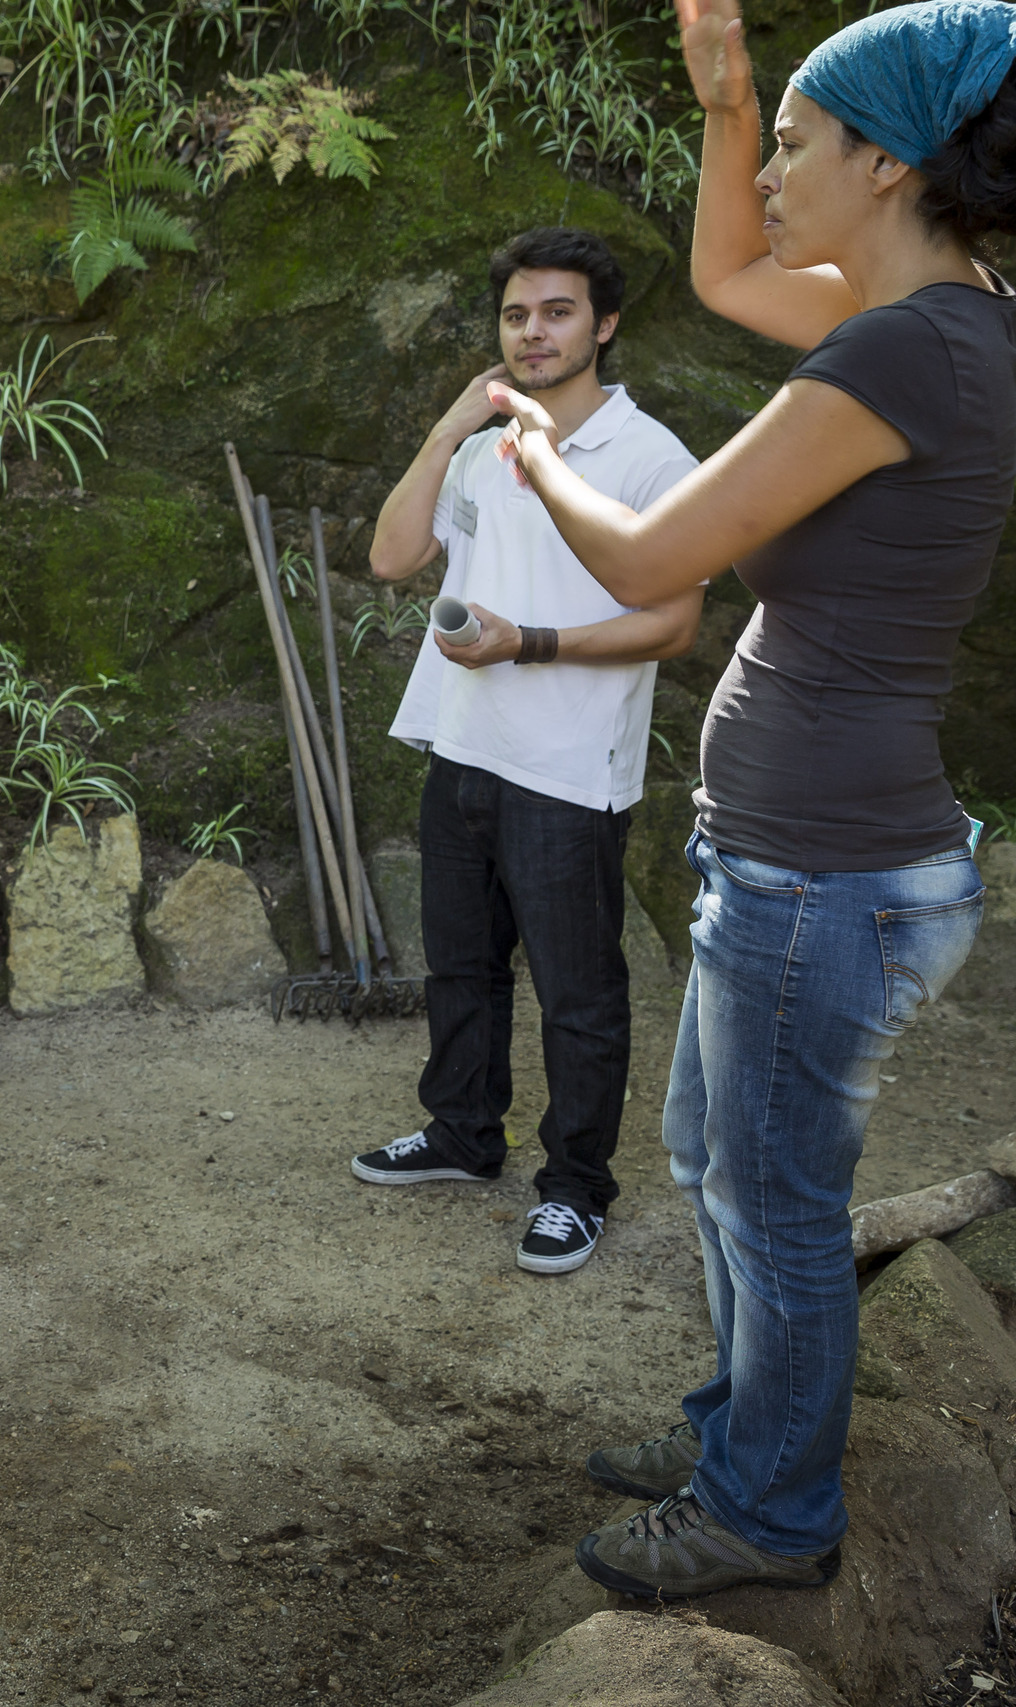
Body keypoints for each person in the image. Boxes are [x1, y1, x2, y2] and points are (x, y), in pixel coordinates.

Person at [499, 0, 1016, 1598]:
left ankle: (767, 1512)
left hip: (826, 869)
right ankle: (739, 1436)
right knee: (729, 1167)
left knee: (773, 1205)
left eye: (804, 140)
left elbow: (647, 558)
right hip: (815, 854)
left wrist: (539, 443)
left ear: (889, 165)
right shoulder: (941, 319)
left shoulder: (902, 355)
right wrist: (729, 100)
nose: (773, 175)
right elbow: (733, 272)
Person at [349, 228, 705, 1276]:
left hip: (566, 767)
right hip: (462, 745)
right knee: (461, 966)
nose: (532, 331)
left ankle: (575, 1186)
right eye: (515, 314)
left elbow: (674, 621)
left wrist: (530, 643)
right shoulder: (479, 446)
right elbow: (389, 556)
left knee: (577, 991)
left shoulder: (649, 457)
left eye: (555, 312)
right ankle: (462, 1133)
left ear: (604, 324)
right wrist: (453, 421)